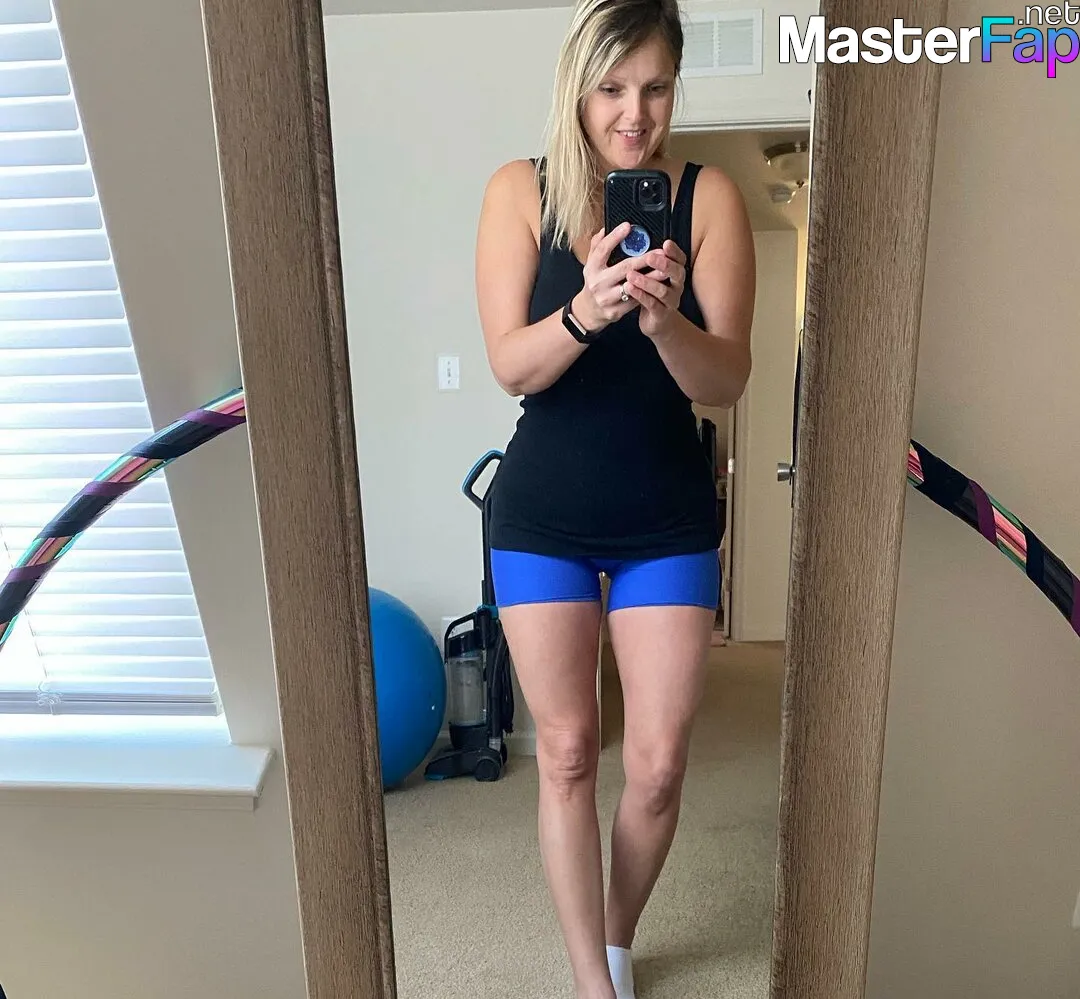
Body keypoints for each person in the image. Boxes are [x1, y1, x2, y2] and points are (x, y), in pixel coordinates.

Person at [473, 1, 755, 996]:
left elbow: (728, 379)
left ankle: (619, 942)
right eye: (612, 88)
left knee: (659, 764)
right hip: (542, 513)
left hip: (666, 515)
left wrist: (667, 322)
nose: (635, 114)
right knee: (563, 753)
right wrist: (586, 312)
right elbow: (511, 365)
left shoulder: (708, 197)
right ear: (577, 88)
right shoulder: (520, 190)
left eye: (656, 87)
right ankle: (594, 983)